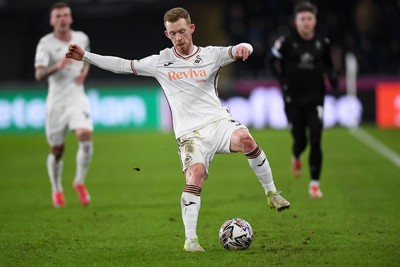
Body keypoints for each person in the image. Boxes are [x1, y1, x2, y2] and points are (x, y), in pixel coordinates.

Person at [66, 7, 290, 252]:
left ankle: (271, 193)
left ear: (191, 29)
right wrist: (85, 56)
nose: (179, 37)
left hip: (218, 123)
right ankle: (191, 240)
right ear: (167, 34)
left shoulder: (211, 55)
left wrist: (245, 48)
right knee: (194, 175)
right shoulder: (160, 61)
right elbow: (122, 64)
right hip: (190, 135)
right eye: (173, 34)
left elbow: (238, 49)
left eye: (182, 31)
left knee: (246, 139)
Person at [268, 1, 338, 198]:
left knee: (316, 138)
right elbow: (270, 61)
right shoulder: (286, 42)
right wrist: (282, 82)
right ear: (296, 22)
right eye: (302, 19)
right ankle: (296, 155)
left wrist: (333, 78)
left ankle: (314, 184)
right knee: (301, 140)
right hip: (293, 99)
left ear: (314, 20)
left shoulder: (323, 43)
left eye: (309, 18)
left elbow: (329, 66)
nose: (306, 22)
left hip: (316, 97)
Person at [34, 2, 93, 208]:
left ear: (70, 18)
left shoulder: (81, 37)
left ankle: (79, 182)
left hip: (77, 97)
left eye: (65, 15)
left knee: (86, 138)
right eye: (58, 16)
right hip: (57, 102)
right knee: (57, 150)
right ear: (52, 20)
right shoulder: (45, 44)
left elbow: (86, 58)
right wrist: (57, 66)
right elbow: (39, 74)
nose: (62, 19)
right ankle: (57, 189)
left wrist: (85, 70)